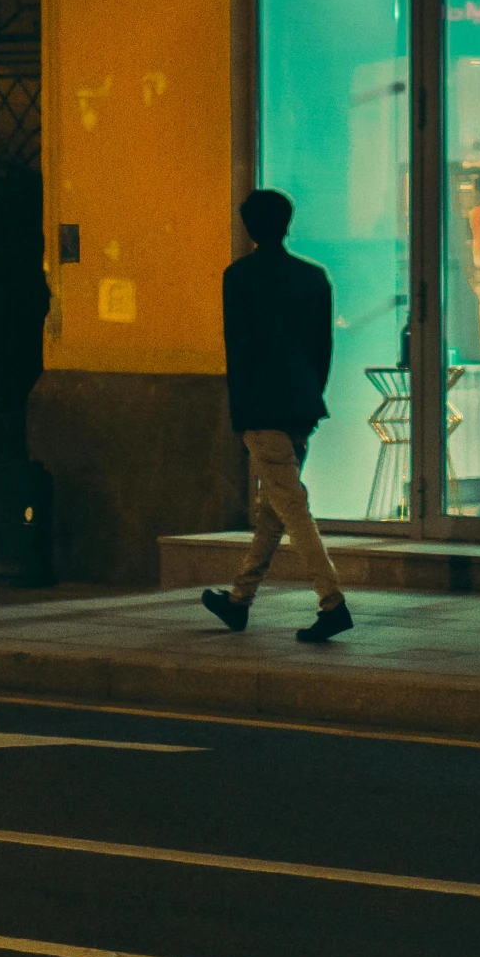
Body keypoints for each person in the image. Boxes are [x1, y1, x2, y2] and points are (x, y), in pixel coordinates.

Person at [202, 187, 351, 643]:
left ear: (248, 227)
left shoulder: (239, 277)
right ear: (287, 223)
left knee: (291, 507)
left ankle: (333, 603)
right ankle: (239, 600)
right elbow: (323, 348)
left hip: (261, 407)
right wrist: (310, 393)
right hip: (301, 405)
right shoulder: (313, 277)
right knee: (275, 506)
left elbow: (239, 350)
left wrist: (240, 411)